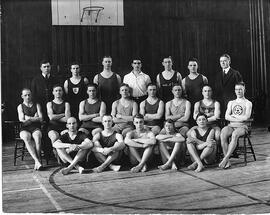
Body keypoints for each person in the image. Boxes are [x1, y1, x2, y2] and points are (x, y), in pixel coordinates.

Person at [219, 82, 252, 169]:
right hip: (231, 125)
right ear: (234, 90)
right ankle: (228, 161)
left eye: (240, 89)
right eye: (237, 89)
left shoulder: (248, 103)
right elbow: (226, 116)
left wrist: (233, 116)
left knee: (235, 135)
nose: (239, 91)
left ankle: (225, 158)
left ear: (244, 90)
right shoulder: (231, 102)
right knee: (223, 133)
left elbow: (246, 117)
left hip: (243, 126)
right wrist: (238, 118)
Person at [17, 88, 43, 170]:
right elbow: (22, 121)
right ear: (22, 96)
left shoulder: (37, 105)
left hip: (35, 127)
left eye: (29, 95)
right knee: (26, 137)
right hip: (24, 128)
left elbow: (41, 119)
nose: (28, 97)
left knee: (38, 137)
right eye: (25, 95)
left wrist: (29, 118)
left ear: (31, 95)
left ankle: (38, 160)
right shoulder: (20, 106)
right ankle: (37, 161)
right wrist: (35, 118)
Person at [47, 84, 71, 159]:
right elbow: (51, 117)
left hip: (64, 127)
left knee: (68, 136)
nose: (58, 92)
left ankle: (65, 158)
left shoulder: (66, 104)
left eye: (60, 90)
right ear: (53, 92)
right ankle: (57, 157)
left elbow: (67, 119)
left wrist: (55, 116)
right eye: (56, 91)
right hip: (52, 126)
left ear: (62, 92)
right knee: (54, 136)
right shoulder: (49, 104)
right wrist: (63, 114)